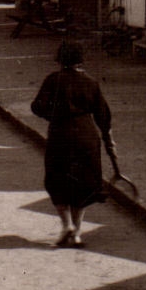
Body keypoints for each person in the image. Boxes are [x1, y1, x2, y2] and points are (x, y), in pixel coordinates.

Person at [31, 39, 113, 247]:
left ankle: (66, 225)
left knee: (57, 180)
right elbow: (103, 115)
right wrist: (108, 139)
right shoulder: (91, 82)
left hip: (60, 134)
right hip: (86, 135)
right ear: (80, 60)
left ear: (60, 59)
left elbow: (37, 107)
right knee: (82, 183)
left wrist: (53, 116)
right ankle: (76, 233)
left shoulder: (53, 80)